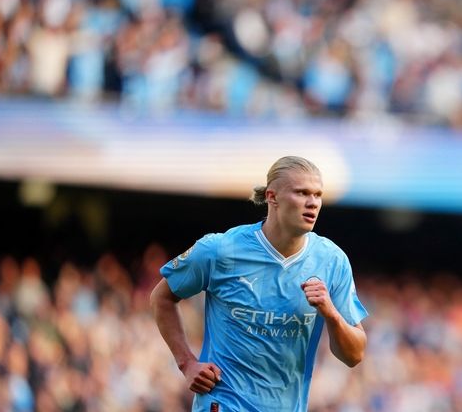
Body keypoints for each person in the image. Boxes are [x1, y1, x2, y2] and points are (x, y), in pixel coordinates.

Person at [150, 156, 368, 411]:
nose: (312, 203)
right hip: (224, 403)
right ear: (272, 197)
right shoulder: (220, 249)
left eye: (318, 195)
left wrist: (330, 313)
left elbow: (354, 355)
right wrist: (186, 363)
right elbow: (162, 297)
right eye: (302, 193)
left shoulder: (332, 261)